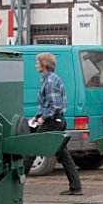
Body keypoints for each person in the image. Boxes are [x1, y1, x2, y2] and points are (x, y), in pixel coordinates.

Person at [23, 52, 83, 195]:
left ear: (44, 64)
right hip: (58, 121)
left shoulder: (50, 81)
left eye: (38, 62)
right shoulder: (49, 79)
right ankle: (76, 187)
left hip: (52, 122)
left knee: (31, 149)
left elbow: (55, 105)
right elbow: (48, 103)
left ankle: (16, 185)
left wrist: (43, 118)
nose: (36, 65)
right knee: (63, 155)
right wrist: (37, 117)